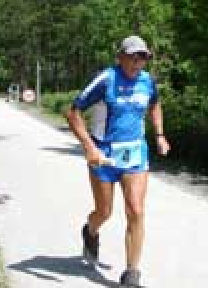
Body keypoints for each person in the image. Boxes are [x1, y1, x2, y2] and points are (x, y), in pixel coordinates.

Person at [65, 35, 170, 287]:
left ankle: (132, 273)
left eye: (142, 57)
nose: (137, 62)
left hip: (135, 153)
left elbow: (155, 105)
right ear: (120, 57)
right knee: (105, 211)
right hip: (104, 154)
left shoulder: (147, 81)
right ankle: (90, 231)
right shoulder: (106, 79)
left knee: (136, 210)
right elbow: (72, 111)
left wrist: (159, 135)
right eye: (133, 56)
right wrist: (89, 147)